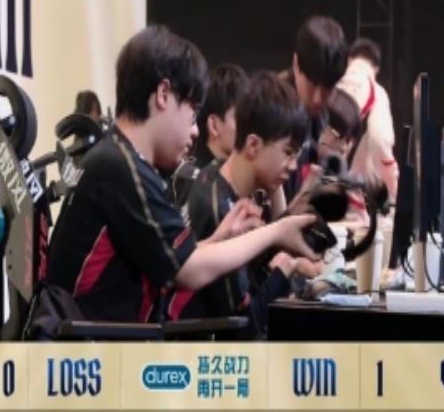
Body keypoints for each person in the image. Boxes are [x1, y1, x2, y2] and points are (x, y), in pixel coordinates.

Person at [46, 25, 319, 324]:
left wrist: (219, 237)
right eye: (192, 112)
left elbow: (172, 260)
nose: (195, 130)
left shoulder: (119, 159)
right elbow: (188, 271)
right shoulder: (122, 169)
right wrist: (277, 233)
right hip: (98, 346)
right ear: (163, 94)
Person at [176, 71, 323, 334]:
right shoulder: (218, 209)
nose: (292, 166)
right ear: (253, 145)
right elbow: (241, 328)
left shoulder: (221, 176)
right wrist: (285, 269)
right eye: (288, 153)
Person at [278, 15, 348, 202]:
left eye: (327, 89)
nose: (317, 99)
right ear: (296, 64)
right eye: (312, 84)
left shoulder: (322, 117)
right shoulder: (273, 114)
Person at [172, 64, 249, 209]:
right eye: (241, 119)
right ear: (214, 125)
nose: (249, 128)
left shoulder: (238, 177)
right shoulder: (190, 178)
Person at [339, 37, 398, 204]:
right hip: (352, 197)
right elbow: (380, 141)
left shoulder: (333, 87)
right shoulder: (377, 92)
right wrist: (394, 193)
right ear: (376, 68)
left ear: (349, 59)